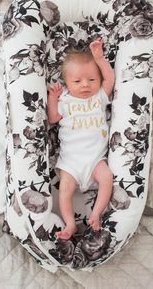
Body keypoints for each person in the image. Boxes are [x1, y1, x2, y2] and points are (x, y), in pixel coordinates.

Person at [47, 38, 115, 239]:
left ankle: (96, 213)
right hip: (71, 161)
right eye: (77, 81)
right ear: (67, 83)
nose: (85, 85)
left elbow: (109, 79)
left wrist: (100, 58)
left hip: (96, 159)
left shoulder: (99, 97)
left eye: (92, 80)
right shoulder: (65, 100)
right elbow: (53, 118)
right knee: (65, 188)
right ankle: (70, 224)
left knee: (107, 178)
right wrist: (53, 99)